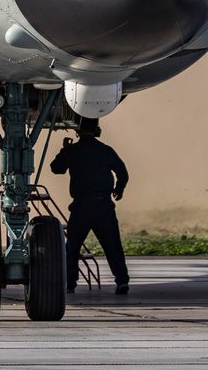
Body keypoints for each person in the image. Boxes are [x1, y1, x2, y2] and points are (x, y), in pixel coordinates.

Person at [50, 117, 130, 294]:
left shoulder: (73, 151)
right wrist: (119, 189)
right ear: (97, 131)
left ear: (78, 131)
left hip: (81, 207)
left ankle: (70, 283)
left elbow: (56, 168)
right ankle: (122, 282)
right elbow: (123, 172)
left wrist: (64, 150)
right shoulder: (106, 150)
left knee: (72, 246)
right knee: (113, 246)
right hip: (103, 206)